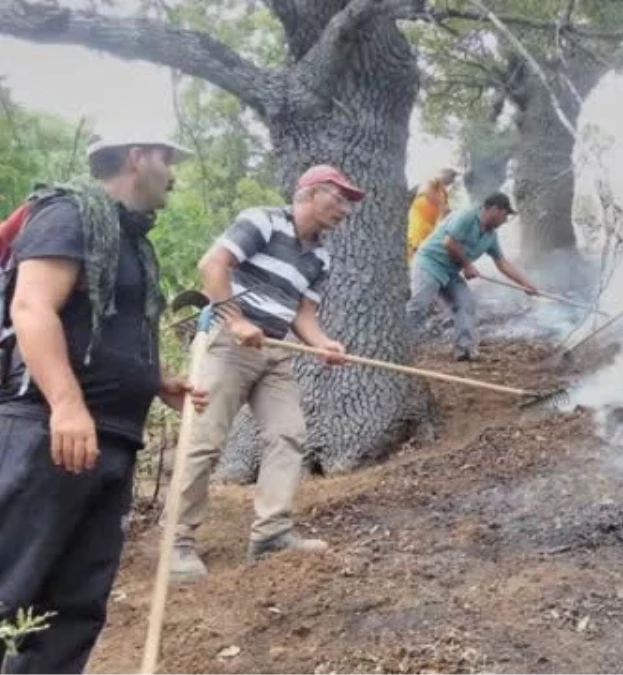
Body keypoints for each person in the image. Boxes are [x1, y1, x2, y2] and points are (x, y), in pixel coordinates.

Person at [0, 132, 206, 674]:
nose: (174, 172)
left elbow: (106, 327)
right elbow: (31, 307)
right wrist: (67, 406)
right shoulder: (67, 213)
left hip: (112, 440)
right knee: (9, 587)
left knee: (75, 605)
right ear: (137, 157)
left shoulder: (132, 238)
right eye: (167, 158)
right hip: (46, 434)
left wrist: (156, 378)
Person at [169, 164, 362, 581]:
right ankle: (178, 541)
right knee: (204, 440)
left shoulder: (321, 257)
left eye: (349, 202)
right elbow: (213, 265)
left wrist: (322, 344)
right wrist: (236, 319)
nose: (345, 209)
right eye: (339, 197)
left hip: (275, 350)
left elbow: (303, 314)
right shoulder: (263, 220)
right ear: (310, 192)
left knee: (288, 433)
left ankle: (271, 532)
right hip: (228, 342)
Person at [407, 192, 538, 361]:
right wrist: (468, 265)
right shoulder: (466, 217)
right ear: (494, 209)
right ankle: (399, 344)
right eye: (505, 215)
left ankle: (463, 351)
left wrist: (526, 285)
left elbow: (502, 263)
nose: (505, 221)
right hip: (429, 263)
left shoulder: (491, 236)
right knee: (419, 304)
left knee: (466, 303)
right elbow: (449, 242)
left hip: (451, 271)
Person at [406, 168, 458, 262]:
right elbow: (427, 191)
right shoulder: (431, 181)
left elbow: (445, 213)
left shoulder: (443, 193)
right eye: (451, 176)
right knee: (414, 251)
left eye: (453, 178)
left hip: (431, 229)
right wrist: (442, 205)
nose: (452, 181)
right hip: (418, 225)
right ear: (443, 173)